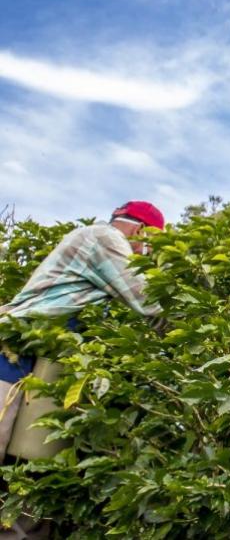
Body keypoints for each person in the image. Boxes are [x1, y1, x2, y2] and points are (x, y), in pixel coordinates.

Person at [0, 200, 165, 539]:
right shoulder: (105, 240)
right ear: (140, 230)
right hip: (14, 355)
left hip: (47, 364)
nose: (147, 254)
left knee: (32, 471)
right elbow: (148, 300)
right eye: (151, 245)